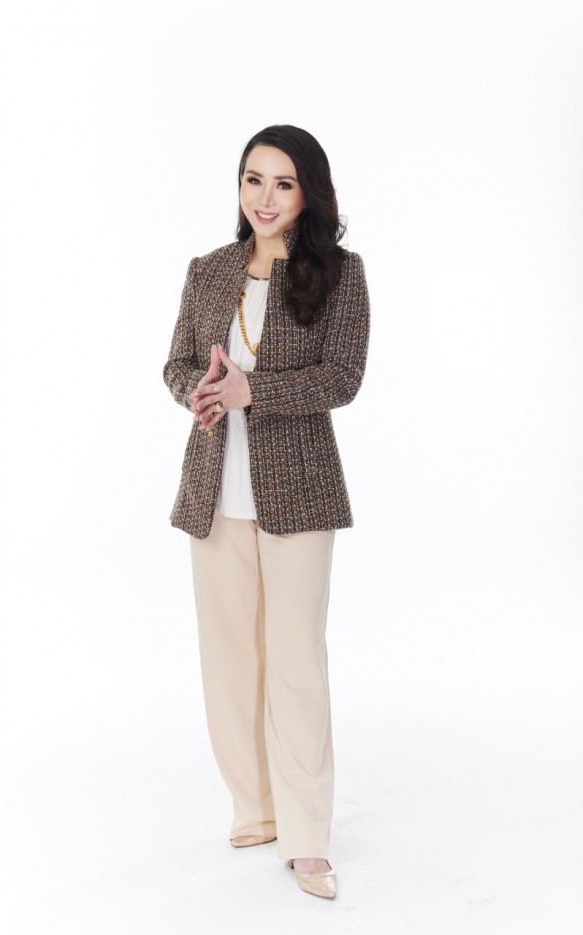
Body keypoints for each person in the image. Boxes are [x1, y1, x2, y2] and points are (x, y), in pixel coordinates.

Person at [163, 125, 370, 899]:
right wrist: (199, 390)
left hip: (300, 491)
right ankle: (256, 809)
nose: (266, 196)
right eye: (254, 179)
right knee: (229, 662)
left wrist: (256, 390)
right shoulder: (208, 270)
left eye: (284, 182)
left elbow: (342, 377)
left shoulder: (340, 274)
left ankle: (307, 835)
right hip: (216, 491)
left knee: (295, 662)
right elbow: (176, 362)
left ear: (308, 191)